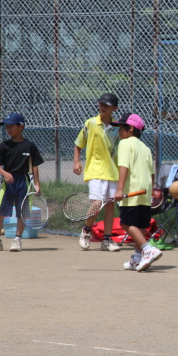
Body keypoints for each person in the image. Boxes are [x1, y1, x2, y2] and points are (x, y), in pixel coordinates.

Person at [0, 113, 44, 252]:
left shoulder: (29, 146)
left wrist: (37, 184)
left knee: (22, 212)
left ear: (21, 126)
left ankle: (17, 240)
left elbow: (35, 165)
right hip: (8, 183)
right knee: (0, 211)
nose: (8, 129)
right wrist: (4, 173)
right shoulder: (4, 146)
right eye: (6, 127)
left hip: (23, 182)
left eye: (11, 126)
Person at [112, 113, 161, 272]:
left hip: (132, 190)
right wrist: (150, 191)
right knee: (139, 225)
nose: (119, 131)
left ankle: (148, 250)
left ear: (131, 128)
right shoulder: (145, 148)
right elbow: (151, 173)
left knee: (126, 223)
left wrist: (119, 189)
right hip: (145, 191)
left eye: (121, 127)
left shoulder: (125, 144)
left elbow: (124, 167)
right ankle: (138, 258)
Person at [73, 92, 122, 252]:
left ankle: (106, 240)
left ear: (115, 108)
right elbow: (79, 143)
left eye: (107, 105)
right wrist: (76, 161)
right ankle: (86, 231)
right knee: (97, 203)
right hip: (95, 170)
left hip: (113, 172)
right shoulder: (91, 123)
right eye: (101, 104)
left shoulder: (117, 128)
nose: (102, 107)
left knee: (110, 206)